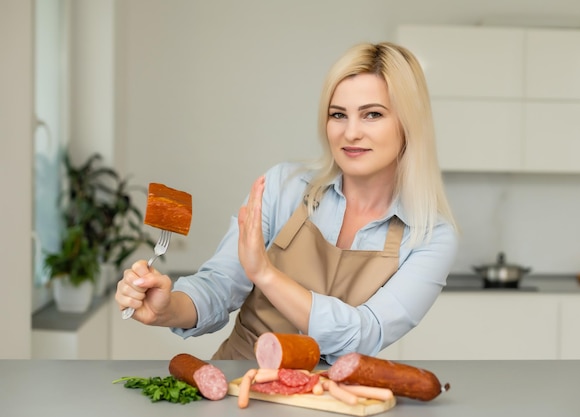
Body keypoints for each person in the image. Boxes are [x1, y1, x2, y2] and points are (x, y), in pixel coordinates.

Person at [116, 41, 458, 364]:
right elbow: (220, 284)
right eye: (338, 114)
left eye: (372, 114)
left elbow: (364, 335)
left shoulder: (430, 235)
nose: (350, 132)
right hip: (236, 383)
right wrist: (168, 307)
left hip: (331, 397)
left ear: (409, 123)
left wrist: (264, 274)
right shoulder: (284, 186)